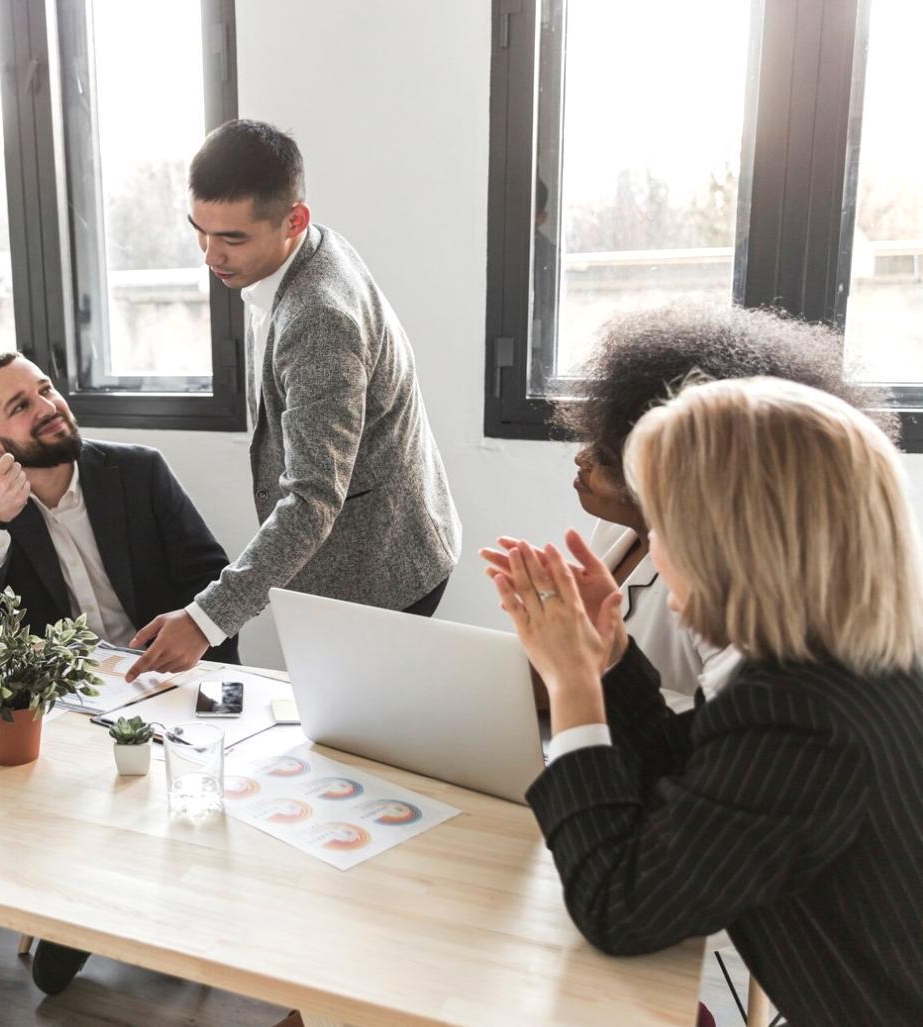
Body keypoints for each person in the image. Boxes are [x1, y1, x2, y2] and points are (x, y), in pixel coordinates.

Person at [490, 376, 923, 1025]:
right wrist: (607, 658)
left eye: (665, 525)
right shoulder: (844, 665)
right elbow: (703, 783)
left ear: (735, 546)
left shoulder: (804, 721)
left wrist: (571, 683)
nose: (655, 549)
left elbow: (615, 906)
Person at [0, 352, 237, 993]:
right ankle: (82, 917)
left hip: (173, 680)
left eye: (45, 389)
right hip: (71, 706)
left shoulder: (136, 471)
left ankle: (106, 919)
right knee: (66, 790)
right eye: (20, 406)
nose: (48, 406)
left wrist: (196, 636)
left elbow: (211, 578)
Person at [127, 119, 460, 680]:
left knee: (353, 744)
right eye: (200, 231)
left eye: (232, 238)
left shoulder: (318, 318)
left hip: (381, 571)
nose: (211, 255)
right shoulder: (301, 250)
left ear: (294, 220)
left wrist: (208, 619)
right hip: (381, 539)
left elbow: (310, 498)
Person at [482, 304, 898, 708]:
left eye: (608, 457)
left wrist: (578, 684)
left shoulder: (742, 604)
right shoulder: (617, 533)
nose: (581, 459)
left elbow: (708, 728)